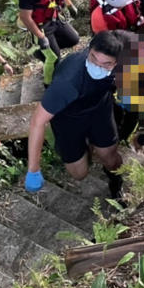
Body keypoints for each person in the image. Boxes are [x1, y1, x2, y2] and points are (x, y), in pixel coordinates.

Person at [24, 31, 126, 199]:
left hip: (99, 111)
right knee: (79, 174)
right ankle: (86, 147)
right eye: (93, 59)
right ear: (89, 50)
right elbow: (37, 122)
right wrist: (33, 169)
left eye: (106, 64)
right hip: (68, 121)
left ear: (116, 63)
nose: (98, 67)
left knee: (110, 159)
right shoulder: (67, 82)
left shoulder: (122, 67)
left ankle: (116, 182)